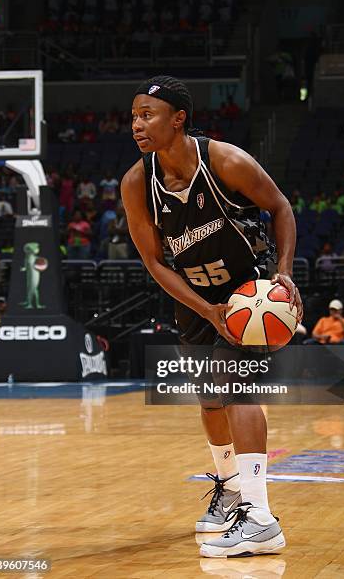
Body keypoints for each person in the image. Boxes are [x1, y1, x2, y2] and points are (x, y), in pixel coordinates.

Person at [121, 75, 302, 558]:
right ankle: (229, 490)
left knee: (234, 386)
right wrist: (205, 310)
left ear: (178, 119)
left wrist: (284, 272)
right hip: (197, 300)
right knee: (209, 399)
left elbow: (280, 207)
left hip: (249, 295)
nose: (137, 124)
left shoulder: (223, 159)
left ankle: (261, 518)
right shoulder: (138, 182)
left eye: (147, 115)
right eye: (134, 116)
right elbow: (155, 262)